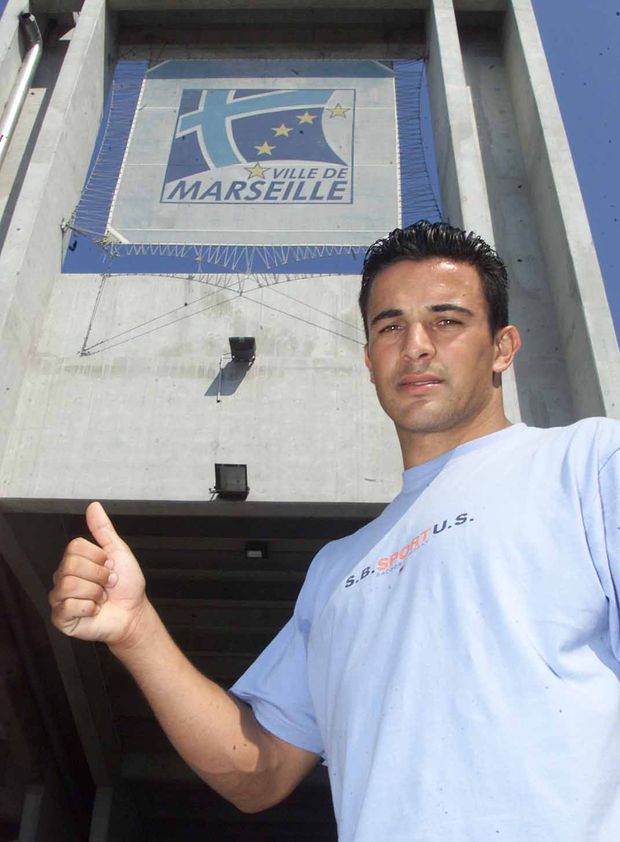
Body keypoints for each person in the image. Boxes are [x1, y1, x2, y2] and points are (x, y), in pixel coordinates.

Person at [49, 221, 620, 841]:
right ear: (370, 360)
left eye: (447, 321)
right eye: (390, 326)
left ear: (503, 348)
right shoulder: (338, 568)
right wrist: (136, 630)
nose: (416, 346)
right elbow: (259, 772)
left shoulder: (588, 464)